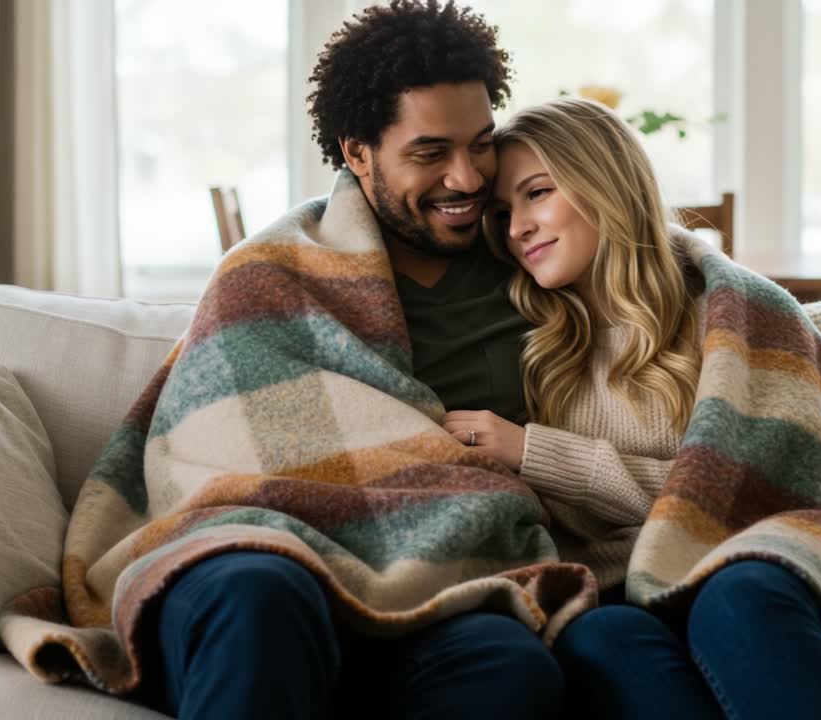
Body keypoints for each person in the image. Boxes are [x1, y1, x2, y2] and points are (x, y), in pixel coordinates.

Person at [144, 3, 561, 719]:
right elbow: (212, 449)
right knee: (258, 596)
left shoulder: (532, 270)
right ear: (358, 152)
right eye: (430, 153)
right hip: (270, 557)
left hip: (443, 577)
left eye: (481, 145)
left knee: (509, 663)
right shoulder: (271, 275)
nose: (467, 179)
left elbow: (649, 273)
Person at [442, 97, 821, 719]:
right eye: (504, 213)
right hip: (621, 592)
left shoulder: (726, 316)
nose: (517, 228)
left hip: (745, 565)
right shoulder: (534, 342)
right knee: (596, 637)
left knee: (737, 594)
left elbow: (752, 502)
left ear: (604, 183)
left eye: (537, 193)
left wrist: (536, 451)